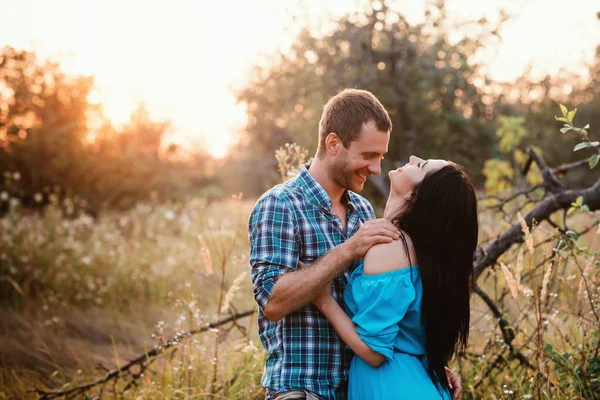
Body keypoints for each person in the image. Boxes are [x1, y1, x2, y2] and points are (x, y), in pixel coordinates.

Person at [248, 89, 462, 399]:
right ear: (333, 144)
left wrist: (420, 364)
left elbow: (381, 309)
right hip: (304, 390)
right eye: (368, 156)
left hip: (359, 389)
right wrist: (349, 249)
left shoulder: (362, 210)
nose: (376, 169)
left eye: (381, 156)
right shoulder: (280, 205)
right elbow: (273, 303)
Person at [312, 156, 479, 399]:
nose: (413, 158)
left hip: (390, 386)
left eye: (421, 166)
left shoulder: (392, 246)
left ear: (417, 196)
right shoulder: (421, 252)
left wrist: (323, 300)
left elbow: (374, 352)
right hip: (416, 381)